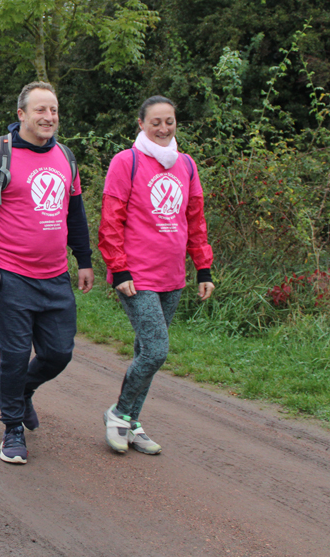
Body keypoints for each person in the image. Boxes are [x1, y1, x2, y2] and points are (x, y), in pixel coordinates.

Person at [0, 82, 94, 465]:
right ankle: (12, 427)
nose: (49, 117)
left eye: (53, 110)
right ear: (21, 115)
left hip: (55, 276)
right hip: (9, 273)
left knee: (59, 353)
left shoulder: (66, 157)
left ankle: (23, 392)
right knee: (15, 354)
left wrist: (83, 260)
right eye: (40, 110)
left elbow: (75, 215)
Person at [98, 95, 215, 455]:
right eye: (156, 122)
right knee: (156, 351)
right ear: (141, 124)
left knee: (144, 350)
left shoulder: (187, 165)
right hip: (136, 276)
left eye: (170, 121)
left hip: (172, 276)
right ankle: (119, 414)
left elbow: (194, 219)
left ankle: (132, 422)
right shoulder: (126, 162)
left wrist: (203, 268)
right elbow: (111, 219)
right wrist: (118, 268)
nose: (163, 128)